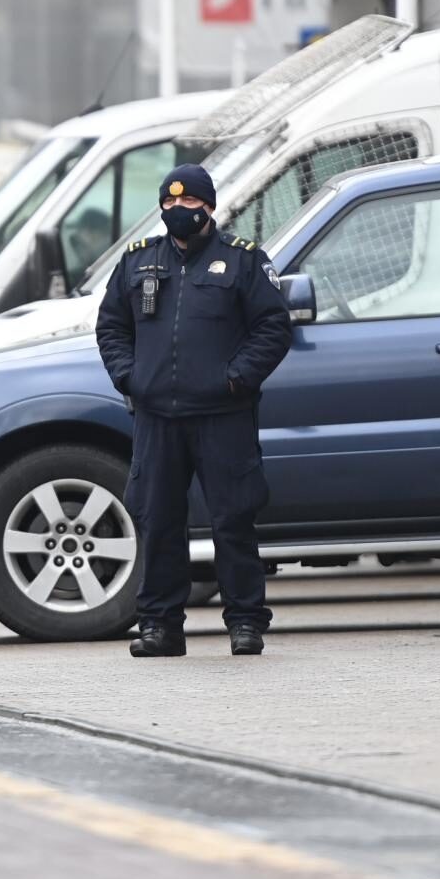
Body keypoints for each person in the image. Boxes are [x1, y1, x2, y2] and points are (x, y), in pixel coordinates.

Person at [95, 164, 292, 658]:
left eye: (188, 204)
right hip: (157, 417)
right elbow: (111, 327)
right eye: (170, 204)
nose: (178, 212)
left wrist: (236, 377)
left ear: (209, 207)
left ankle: (246, 623)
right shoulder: (138, 262)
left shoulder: (243, 261)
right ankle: (160, 628)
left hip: (223, 415)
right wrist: (130, 376)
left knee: (233, 520)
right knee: (158, 521)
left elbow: (272, 327)